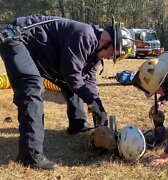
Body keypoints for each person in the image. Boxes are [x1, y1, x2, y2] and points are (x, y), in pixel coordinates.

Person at [0, 15, 134, 170]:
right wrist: (90, 100)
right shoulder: (85, 36)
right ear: (106, 39)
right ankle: (30, 155)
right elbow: (71, 74)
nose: (110, 58)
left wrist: (99, 107)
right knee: (32, 87)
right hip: (17, 40)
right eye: (112, 54)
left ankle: (77, 124)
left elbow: (87, 80)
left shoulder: (95, 51)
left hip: (36, 49)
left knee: (73, 84)